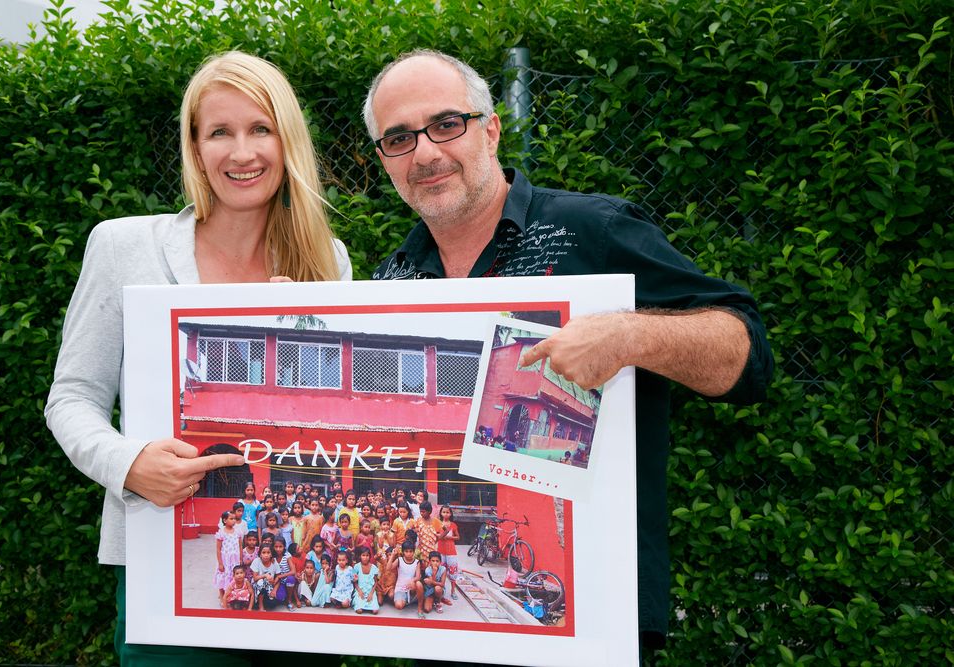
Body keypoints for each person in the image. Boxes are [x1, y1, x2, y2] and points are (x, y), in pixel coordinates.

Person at [363, 49, 773, 653]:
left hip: (595, 625)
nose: (424, 152)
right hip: (446, 641)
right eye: (399, 138)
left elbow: (748, 355)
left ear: (490, 130)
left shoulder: (593, 232)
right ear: (385, 159)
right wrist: (284, 320)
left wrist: (630, 335)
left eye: (446, 124)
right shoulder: (390, 281)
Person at [45, 50, 352, 665]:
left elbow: (328, 414)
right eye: (220, 132)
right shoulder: (123, 245)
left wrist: (304, 333)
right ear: (194, 147)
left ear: (287, 141)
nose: (242, 152)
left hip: (299, 601)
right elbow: (72, 397)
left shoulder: (328, 262)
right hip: (159, 574)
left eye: (261, 128)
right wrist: (130, 463)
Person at [214, 511, 241, 605]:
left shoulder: (238, 532)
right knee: (223, 577)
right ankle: (222, 596)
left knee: (233, 578)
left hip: (235, 560)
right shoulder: (221, 533)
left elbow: (240, 546)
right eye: (231, 519)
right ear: (225, 520)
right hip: (225, 560)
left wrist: (240, 559)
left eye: (235, 519)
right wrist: (220, 563)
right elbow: (218, 549)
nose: (234, 521)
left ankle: (231, 595)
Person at [352, 546, 381, 614]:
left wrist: (371, 593)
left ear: (370, 556)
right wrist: (359, 591)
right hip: (360, 590)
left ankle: (372, 603)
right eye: (363, 555)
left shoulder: (374, 567)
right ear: (360, 556)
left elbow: (375, 582)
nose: (365, 558)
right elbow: (355, 582)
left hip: (370, 591)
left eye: (367, 555)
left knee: (375, 611)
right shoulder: (357, 567)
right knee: (359, 610)